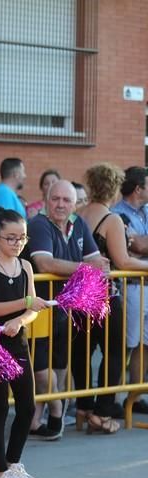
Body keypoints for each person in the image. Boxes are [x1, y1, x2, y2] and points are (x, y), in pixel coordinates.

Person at [26, 179, 108, 440]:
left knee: (60, 364)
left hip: (65, 308)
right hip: (37, 307)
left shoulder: (79, 223)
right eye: (56, 199)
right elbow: (44, 264)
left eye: (67, 200)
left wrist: (90, 266)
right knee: (39, 366)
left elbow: (97, 259)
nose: (61, 205)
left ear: (75, 204)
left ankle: (37, 420)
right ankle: (57, 409)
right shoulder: (39, 224)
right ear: (46, 200)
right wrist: (85, 269)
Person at [0, 209, 45, 478]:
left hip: (18, 340)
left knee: (27, 405)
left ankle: (14, 462)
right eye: (11, 238)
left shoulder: (26, 266)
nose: (17, 243)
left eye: (22, 238)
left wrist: (20, 319)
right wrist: (26, 302)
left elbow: (32, 310)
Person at [75, 163, 138, 431]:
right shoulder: (111, 219)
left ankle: (83, 408)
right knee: (113, 354)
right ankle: (102, 413)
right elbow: (123, 261)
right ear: (114, 188)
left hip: (78, 297)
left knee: (81, 354)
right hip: (104, 297)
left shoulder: (78, 215)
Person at [112, 166, 148, 414]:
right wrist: (139, 245)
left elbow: (141, 245)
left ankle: (135, 397)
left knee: (144, 343)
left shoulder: (146, 211)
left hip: (146, 286)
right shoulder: (117, 215)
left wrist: (141, 244)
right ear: (138, 188)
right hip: (132, 286)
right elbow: (133, 246)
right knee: (126, 342)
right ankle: (112, 397)